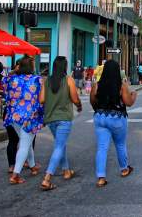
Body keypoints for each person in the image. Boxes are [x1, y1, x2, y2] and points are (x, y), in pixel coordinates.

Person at [91, 60, 137, 187]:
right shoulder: (121, 86)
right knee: (120, 145)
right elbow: (128, 102)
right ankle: (124, 169)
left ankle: (101, 177)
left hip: (100, 117)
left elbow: (92, 101)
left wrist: (100, 110)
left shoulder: (97, 85)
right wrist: (134, 95)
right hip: (117, 118)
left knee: (101, 148)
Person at [39, 56, 82, 191]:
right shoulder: (68, 80)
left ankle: (66, 170)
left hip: (51, 118)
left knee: (60, 145)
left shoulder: (47, 81)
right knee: (59, 147)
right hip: (64, 118)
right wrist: (79, 106)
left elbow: (41, 100)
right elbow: (75, 98)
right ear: (65, 66)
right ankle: (47, 178)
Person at [4, 56, 43, 185]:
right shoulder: (37, 80)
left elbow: (4, 85)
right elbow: (42, 98)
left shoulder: (11, 79)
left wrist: (16, 70)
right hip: (30, 116)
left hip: (14, 115)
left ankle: (32, 166)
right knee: (25, 144)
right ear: (31, 67)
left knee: (25, 140)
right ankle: (16, 175)